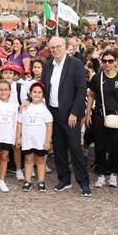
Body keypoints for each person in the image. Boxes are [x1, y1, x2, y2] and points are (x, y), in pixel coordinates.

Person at [40, 37, 90, 197]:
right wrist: (29, 100)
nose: (55, 50)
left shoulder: (75, 64)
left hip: (71, 115)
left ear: (65, 47)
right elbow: (42, 87)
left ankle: (83, 182)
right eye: (52, 47)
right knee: (59, 149)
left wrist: (75, 112)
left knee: (75, 149)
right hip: (53, 113)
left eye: (58, 47)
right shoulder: (48, 66)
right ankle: (64, 179)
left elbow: (81, 90)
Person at [84, 50, 118, 188]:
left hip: (116, 116)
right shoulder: (97, 77)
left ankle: (113, 173)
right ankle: (101, 173)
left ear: (115, 61)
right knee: (100, 146)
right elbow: (91, 95)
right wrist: (88, 114)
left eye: (110, 61)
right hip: (99, 115)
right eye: (104, 61)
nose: (107, 64)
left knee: (114, 146)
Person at [15, 82, 53, 192]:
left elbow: (49, 125)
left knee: (40, 160)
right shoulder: (25, 108)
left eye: (39, 92)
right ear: (30, 94)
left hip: (40, 141)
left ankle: (41, 181)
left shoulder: (45, 109)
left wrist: (47, 140)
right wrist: (18, 137)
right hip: (27, 140)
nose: (37, 94)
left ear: (43, 95)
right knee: (28, 159)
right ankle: (27, 181)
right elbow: (20, 123)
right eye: (34, 92)